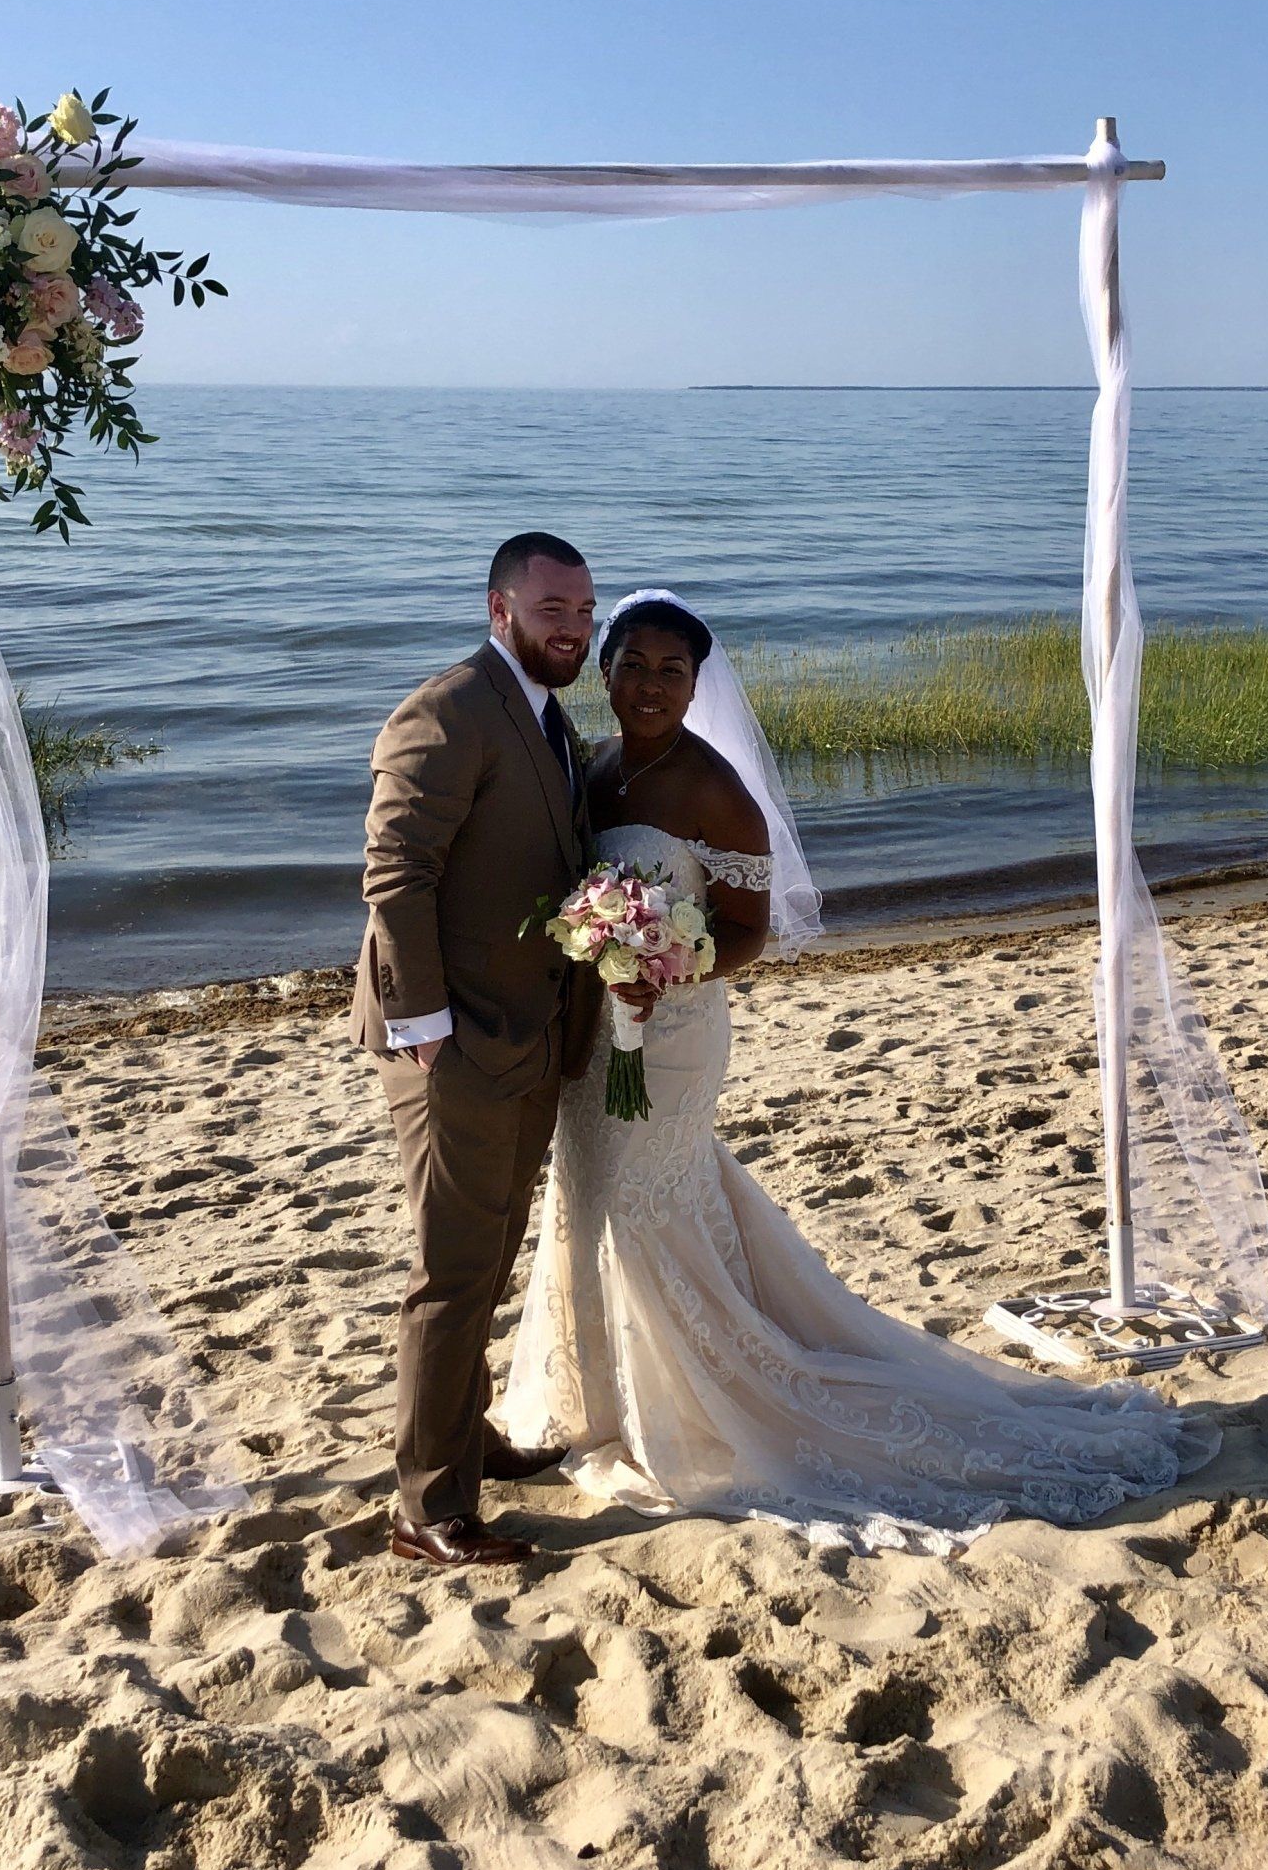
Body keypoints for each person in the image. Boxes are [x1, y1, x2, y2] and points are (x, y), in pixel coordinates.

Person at [498, 588, 1220, 1549]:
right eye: (633, 665)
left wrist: (670, 967)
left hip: (672, 1038)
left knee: (640, 1203)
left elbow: (751, 930)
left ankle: (695, 1409)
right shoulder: (591, 770)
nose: (651, 685)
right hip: (598, 1038)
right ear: (605, 671)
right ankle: (607, 1403)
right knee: (587, 1198)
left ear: (696, 681)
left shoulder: (715, 789)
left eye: (673, 670)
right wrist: (606, 960)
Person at [350, 533, 602, 1568]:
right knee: (452, 1273)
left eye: (583, 611)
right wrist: (425, 1028)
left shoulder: (545, 716)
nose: (572, 627)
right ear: (499, 609)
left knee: (491, 1255)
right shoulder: (449, 709)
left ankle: (467, 1435)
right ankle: (428, 1510)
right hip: (448, 1043)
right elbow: (395, 866)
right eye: (552, 609)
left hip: (527, 1031)